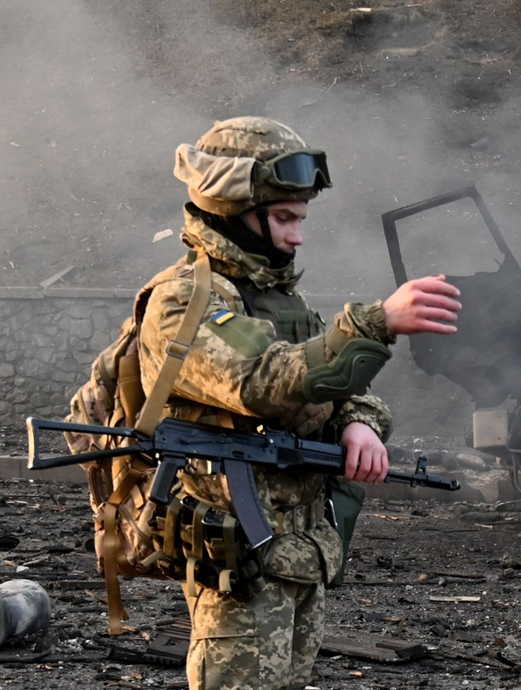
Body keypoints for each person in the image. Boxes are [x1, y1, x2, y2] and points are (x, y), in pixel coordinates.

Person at [142, 116, 460, 690]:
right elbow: (261, 378)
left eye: (301, 218)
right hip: (236, 558)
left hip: (298, 551)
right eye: (284, 218)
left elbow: (339, 385)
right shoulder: (185, 300)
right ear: (231, 207)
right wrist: (377, 322)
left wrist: (359, 424)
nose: (297, 236)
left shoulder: (277, 298)